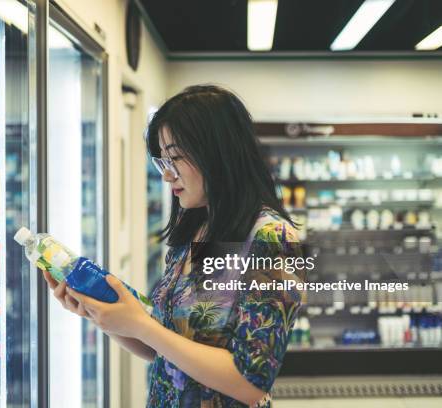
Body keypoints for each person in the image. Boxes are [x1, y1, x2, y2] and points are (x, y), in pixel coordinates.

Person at [43, 84, 304, 407]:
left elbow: (250, 381)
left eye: (176, 158)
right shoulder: (197, 228)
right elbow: (163, 349)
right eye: (162, 161)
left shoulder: (269, 237)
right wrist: (104, 316)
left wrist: (141, 325)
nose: (167, 176)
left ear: (219, 153)